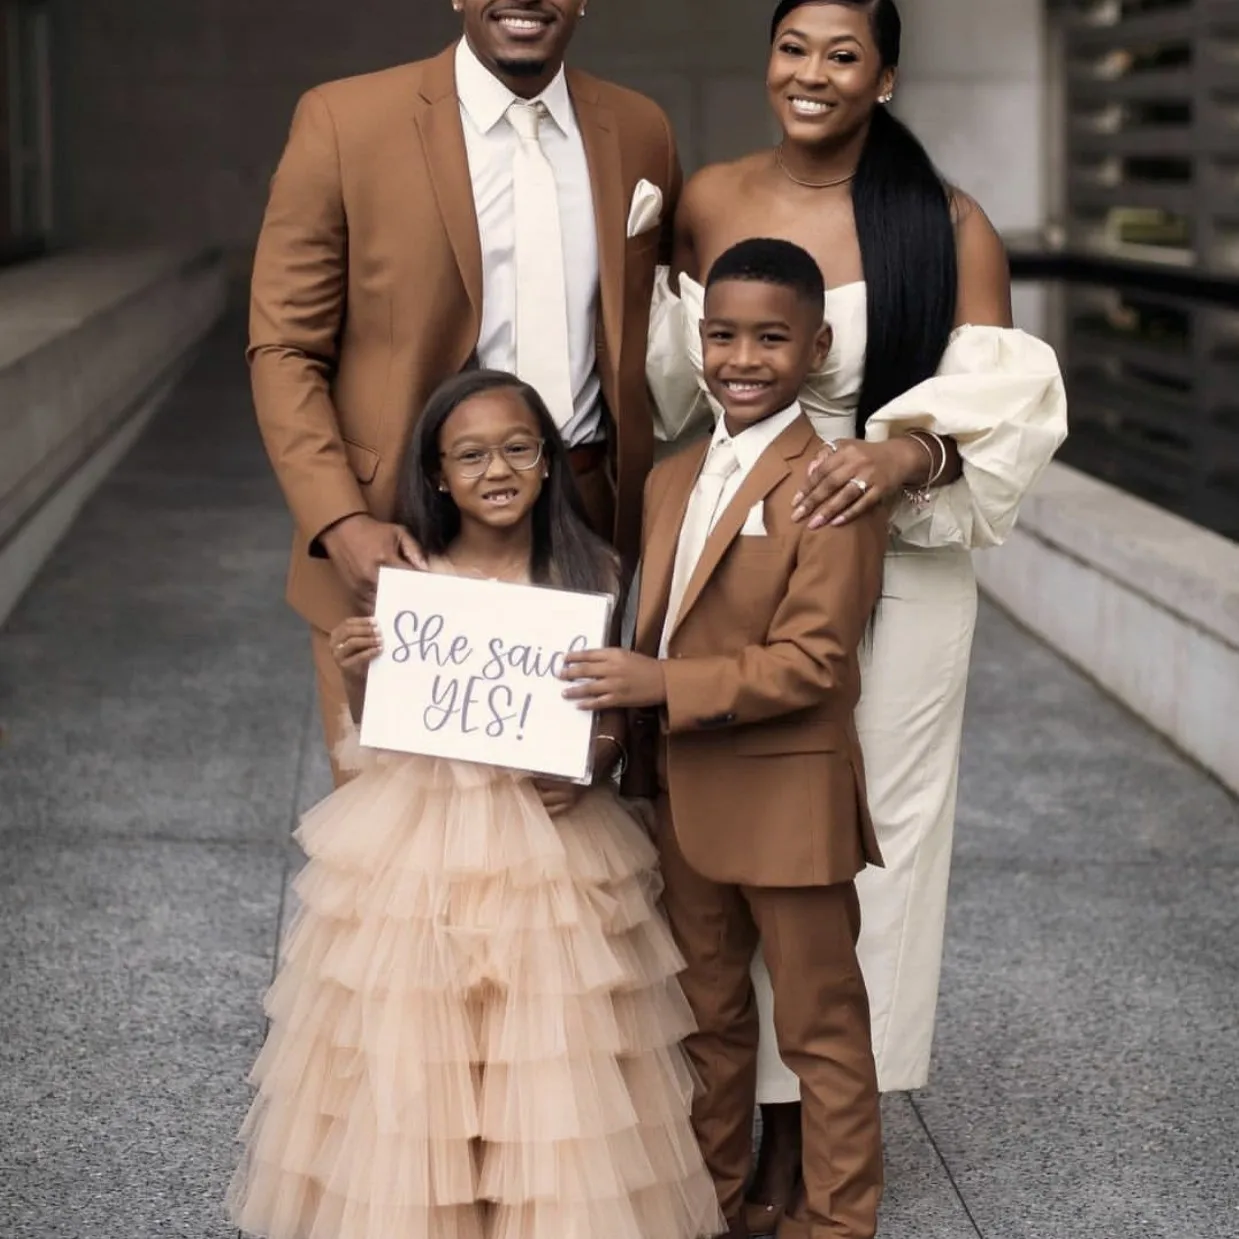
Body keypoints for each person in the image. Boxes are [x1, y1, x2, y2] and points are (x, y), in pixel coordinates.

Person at [644, 1, 1069, 1231]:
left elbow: (1001, 410)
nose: (812, 73)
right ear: (766, 58)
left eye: (844, 53)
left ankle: (821, 1134)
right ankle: (753, 1134)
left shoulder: (942, 223)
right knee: (744, 819)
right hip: (746, 567)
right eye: (793, 46)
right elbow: (676, 384)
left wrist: (903, 456)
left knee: (871, 856)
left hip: (907, 572)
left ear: (884, 77)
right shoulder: (711, 195)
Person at [228, 369, 722, 1239]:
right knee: (423, 1026)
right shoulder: (412, 579)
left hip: (555, 835)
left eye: (517, 448)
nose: (496, 468)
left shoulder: (592, 572)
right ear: (437, 476)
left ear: (547, 463)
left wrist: (591, 761)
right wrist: (357, 661)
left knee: (548, 1035)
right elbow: (376, 721)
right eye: (470, 454)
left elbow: (608, 719)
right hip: (425, 827)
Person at [250, 0, 681, 778]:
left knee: (559, 842)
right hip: (397, 537)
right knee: (402, 844)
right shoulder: (344, 122)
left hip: (577, 530)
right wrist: (342, 522)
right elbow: (284, 346)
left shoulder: (639, 126)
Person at [561, 238, 889, 1239]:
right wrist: (620, 725)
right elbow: (653, 626)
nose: (742, 357)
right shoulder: (673, 475)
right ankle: (708, 1210)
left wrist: (664, 685)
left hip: (788, 805)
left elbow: (815, 664)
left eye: (771, 338)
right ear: (698, 340)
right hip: (684, 802)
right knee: (705, 1023)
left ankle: (838, 1222)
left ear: (817, 346)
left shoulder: (829, 483)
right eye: (723, 335)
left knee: (821, 1028)